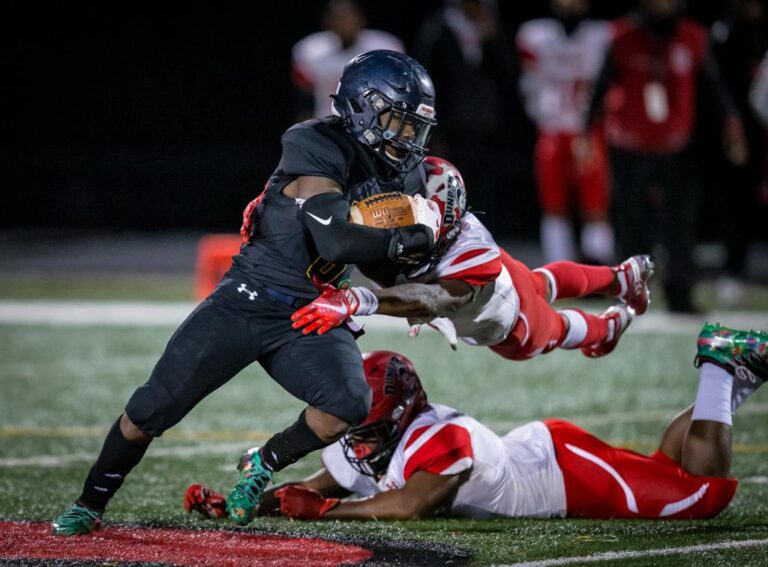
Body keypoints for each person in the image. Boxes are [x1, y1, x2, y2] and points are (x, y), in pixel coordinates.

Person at [50, 50, 442, 535]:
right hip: (247, 298)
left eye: (414, 127)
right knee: (149, 410)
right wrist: (413, 234)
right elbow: (336, 238)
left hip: (310, 310)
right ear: (364, 106)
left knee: (347, 402)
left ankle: (263, 461)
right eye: (397, 122)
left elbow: (376, 260)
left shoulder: (402, 173)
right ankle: (91, 501)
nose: (407, 138)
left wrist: (410, 282)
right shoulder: (314, 142)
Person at [186, 323, 767, 521]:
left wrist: (329, 510)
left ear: (399, 415)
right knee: (668, 468)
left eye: (365, 426)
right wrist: (242, 502)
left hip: (564, 477)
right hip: (547, 456)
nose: (355, 439)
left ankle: (719, 367)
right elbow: (310, 491)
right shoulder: (367, 436)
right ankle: (738, 376)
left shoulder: (441, 436)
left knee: (701, 498)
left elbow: (412, 504)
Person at [291, 157, 653, 361]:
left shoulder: (470, 250)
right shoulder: (423, 231)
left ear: (440, 221)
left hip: (506, 315)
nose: (396, 211)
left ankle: (608, 327)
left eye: (409, 207)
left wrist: (359, 299)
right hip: (501, 278)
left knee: (550, 330)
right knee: (541, 281)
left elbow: (432, 298)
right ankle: (620, 277)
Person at [584, 0, 748, 313]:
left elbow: (714, 87)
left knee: (680, 227)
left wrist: (733, 127)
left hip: (677, 147)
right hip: (630, 146)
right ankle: (629, 295)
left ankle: (680, 294)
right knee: (631, 224)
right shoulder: (621, 36)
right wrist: (587, 135)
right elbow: (600, 87)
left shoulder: (692, 37)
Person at [411, 0, 524, 236]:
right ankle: (444, 236)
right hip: (451, 126)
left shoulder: (493, 24)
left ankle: (482, 237)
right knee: (447, 184)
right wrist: (433, 130)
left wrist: (491, 39)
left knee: (486, 186)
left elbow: (510, 74)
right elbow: (426, 78)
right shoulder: (438, 27)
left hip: (489, 124)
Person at [516, 0, 615, 265]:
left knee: (595, 203)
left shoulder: (603, 35)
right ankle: (558, 267)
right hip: (551, 129)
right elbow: (527, 83)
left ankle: (599, 266)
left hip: (587, 130)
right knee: (553, 203)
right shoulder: (535, 35)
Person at [710, 0, 767, 306]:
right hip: (741, 132)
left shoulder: (759, 32)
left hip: (758, 131)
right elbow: (723, 88)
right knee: (736, 200)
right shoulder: (726, 33)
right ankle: (733, 269)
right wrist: (733, 130)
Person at [291, 0, 405, 121]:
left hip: (373, 124)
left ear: (360, 18)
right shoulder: (310, 51)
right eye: (337, 18)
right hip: (327, 125)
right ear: (327, 21)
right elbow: (305, 102)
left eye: (347, 17)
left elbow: (399, 95)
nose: (343, 23)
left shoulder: (385, 48)